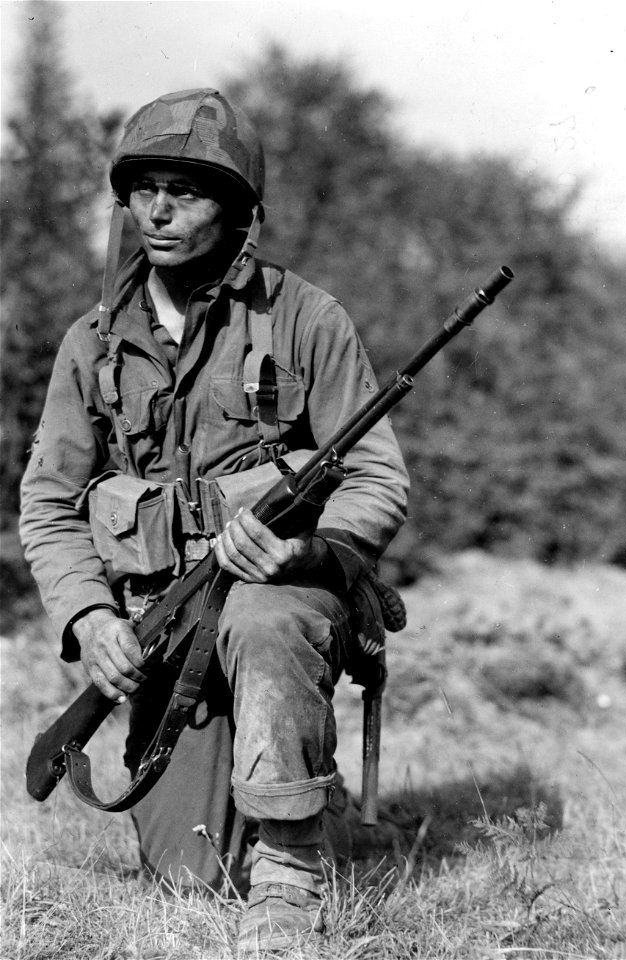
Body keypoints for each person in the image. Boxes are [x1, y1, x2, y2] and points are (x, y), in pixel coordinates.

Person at [20, 88, 409, 953]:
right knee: (193, 875)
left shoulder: (306, 318)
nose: (158, 210)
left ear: (237, 210)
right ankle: (286, 786)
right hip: (163, 620)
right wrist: (91, 620)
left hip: (280, 595)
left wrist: (317, 548)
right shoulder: (92, 343)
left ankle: (290, 873)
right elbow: (48, 503)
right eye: (144, 186)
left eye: (186, 190)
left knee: (269, 623)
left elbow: (378, 475)